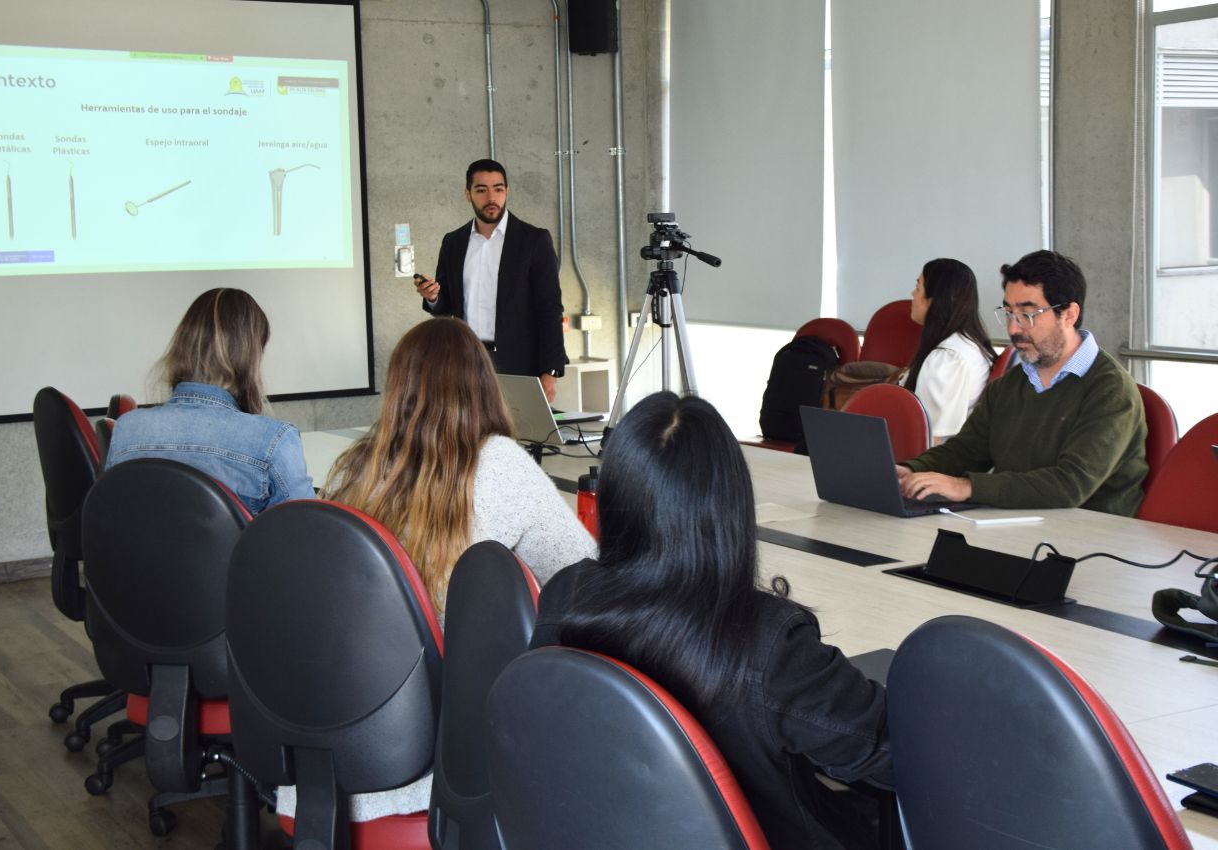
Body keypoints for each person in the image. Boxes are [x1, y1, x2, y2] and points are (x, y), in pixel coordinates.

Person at [531, 392, 892, 850]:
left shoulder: (565, 594)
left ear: (616, 498)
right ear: (731, 505)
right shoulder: (771, 645)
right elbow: (896, 756)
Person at [283, 317, 594, 823]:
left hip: (330, 748)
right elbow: (585, 574)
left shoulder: (355, 466)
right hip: (435, 764)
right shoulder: (497, 462)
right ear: (482, 384)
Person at [898, 250, 1148, 516]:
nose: (1013, 329)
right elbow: (966, 450)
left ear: (1069, 314)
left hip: (1092, 535)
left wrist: (966, 486)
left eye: (1028, 314)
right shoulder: (1011, 384)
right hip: (1018, 522)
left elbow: (1070, 484)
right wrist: (910, 469)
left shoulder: (1110, 390)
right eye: (1008, 313)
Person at [105, 288, 314, 515]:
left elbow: (110, 516)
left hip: (134, 552)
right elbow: (305, 530)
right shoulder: (274, 440)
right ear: (251, 358)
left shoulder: (126, 430)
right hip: (234, 552)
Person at [414, 158, 567, 401]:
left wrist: (550, 371)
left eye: (498, 189)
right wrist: (433, 297)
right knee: (469, 436)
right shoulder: (453, 242)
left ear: (507, 192)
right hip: (466, 361)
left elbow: (549, 308)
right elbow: (447, 306)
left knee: (517, 436)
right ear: (468, 194)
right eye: (481, 190)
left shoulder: (533, 240)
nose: (491, 198)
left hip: (519, 364)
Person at [904, 258, 995, 442]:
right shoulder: (969, 344)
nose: (912, 293)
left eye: (918, 287)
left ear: (935, 299)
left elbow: (933, 438)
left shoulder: (948, 359)